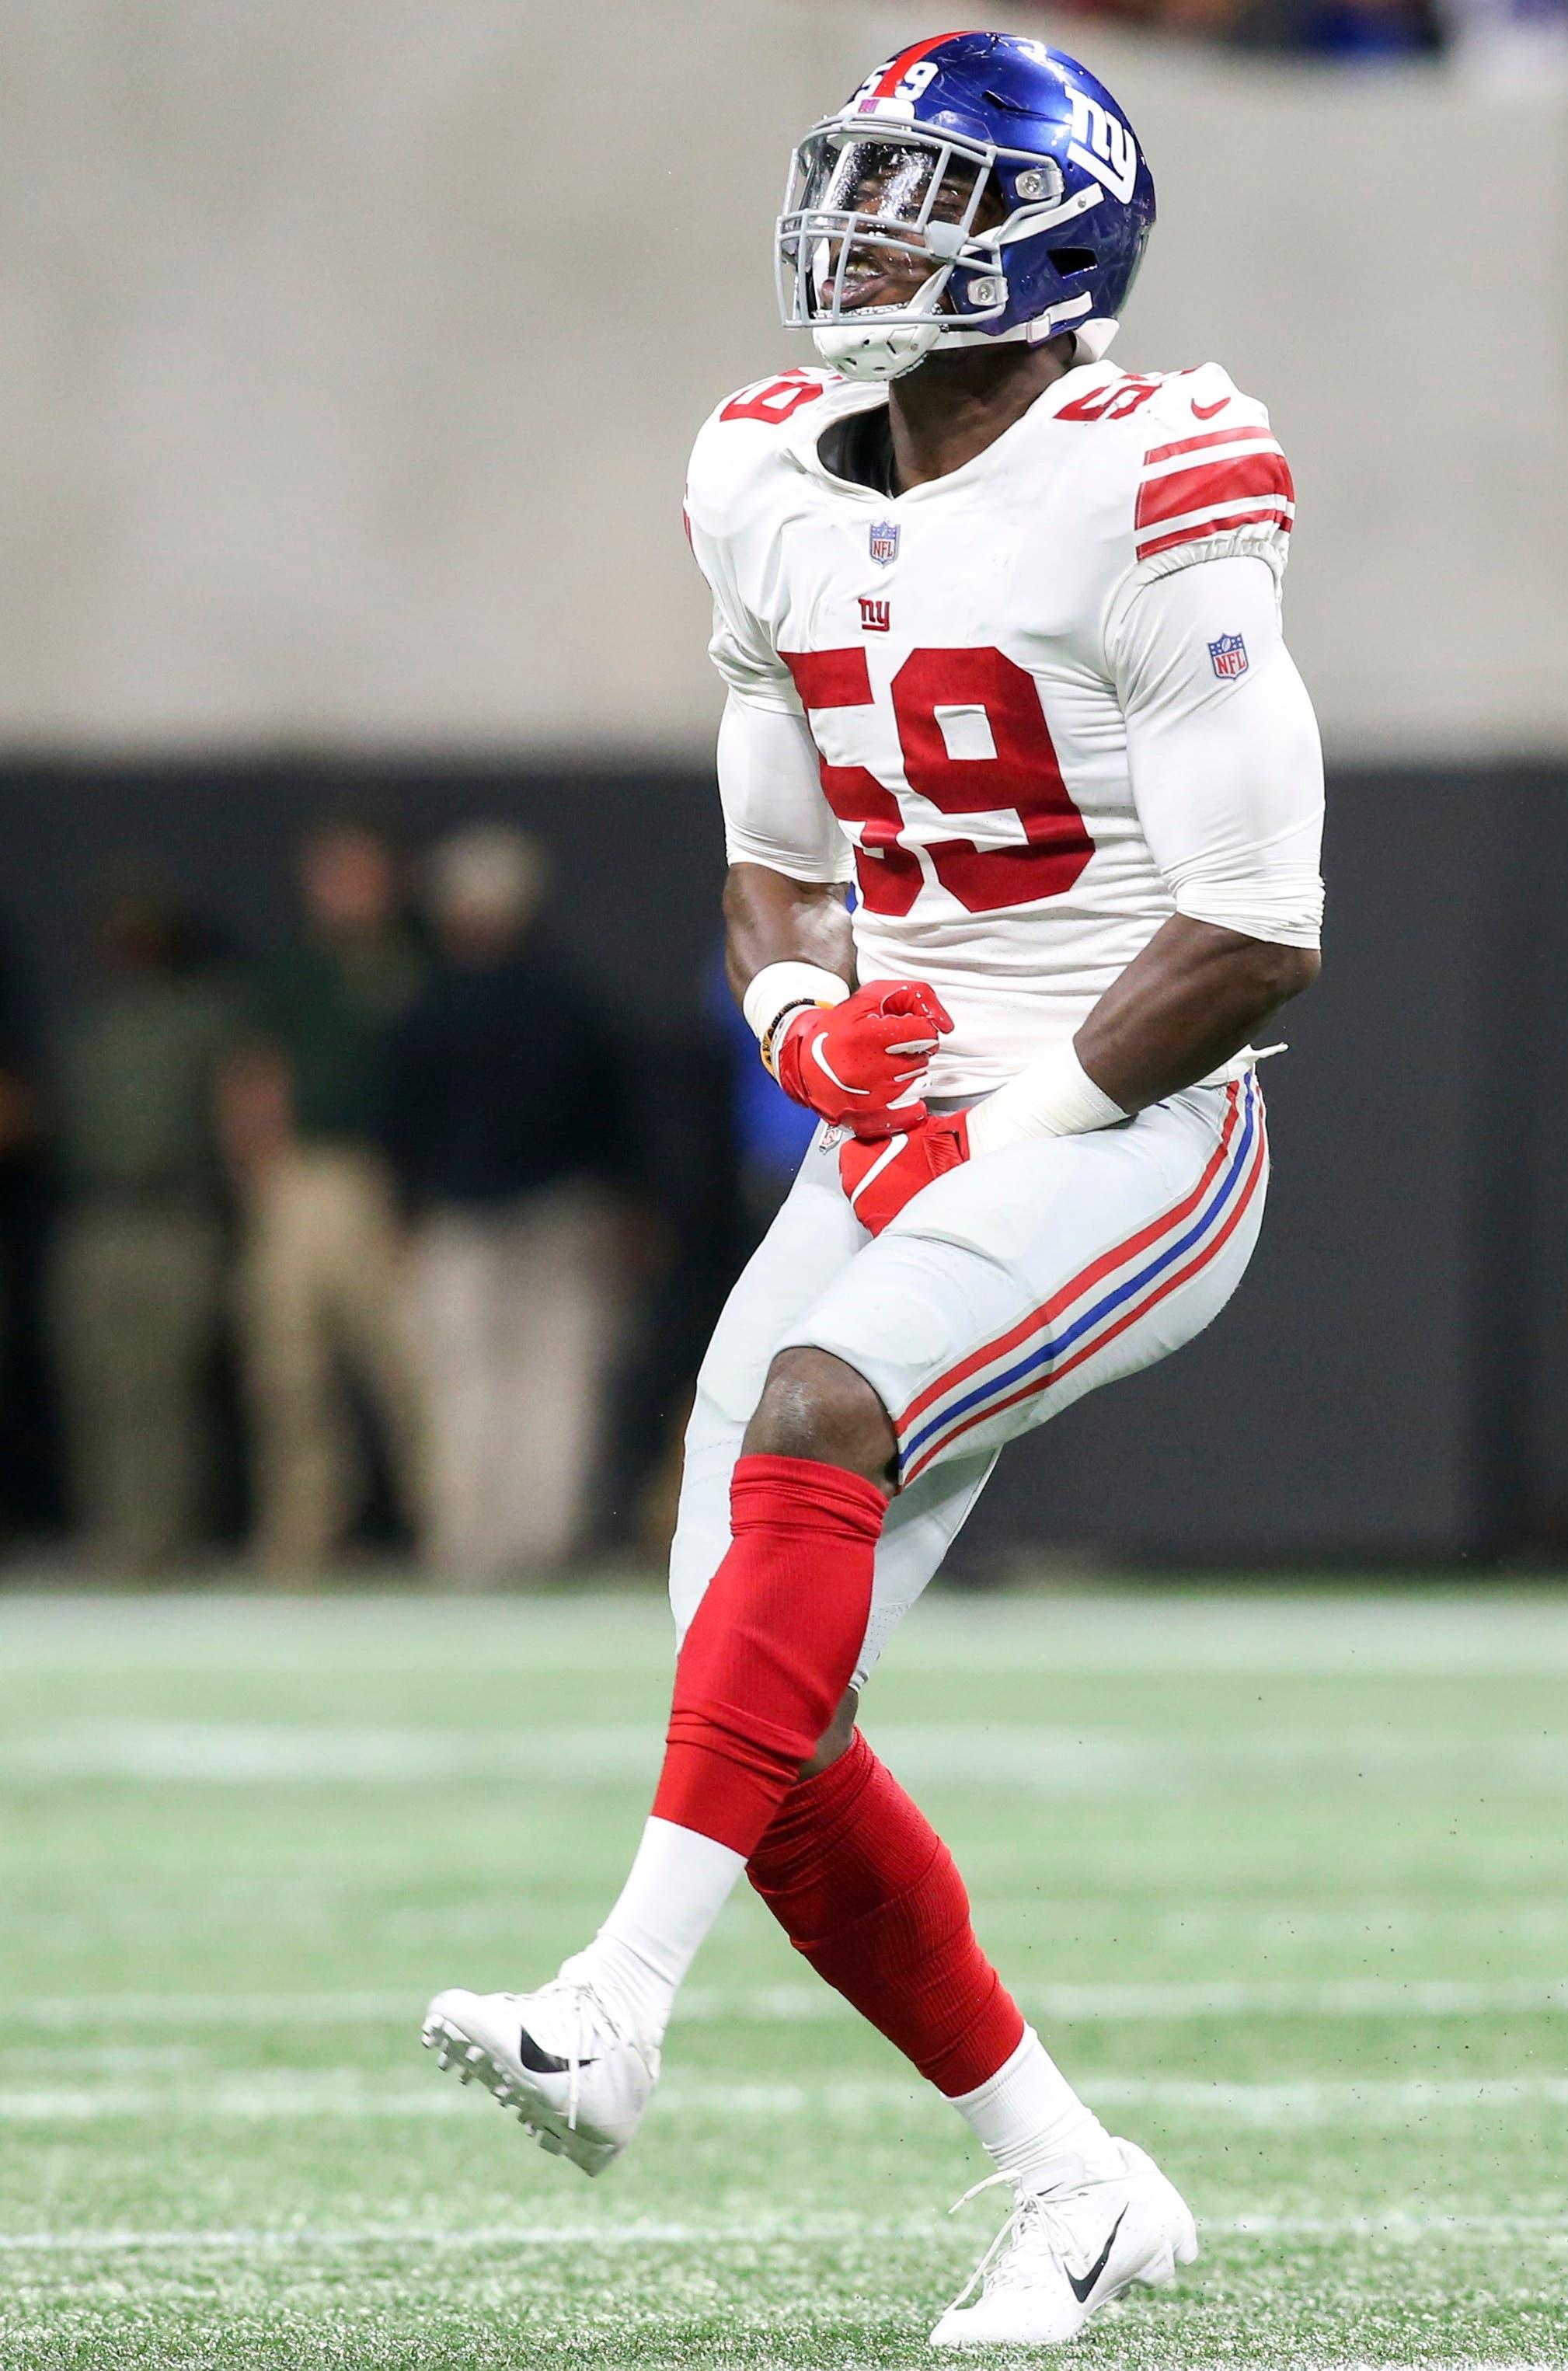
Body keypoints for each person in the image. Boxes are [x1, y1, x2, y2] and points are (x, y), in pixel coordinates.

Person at [423, 33, 1323, 2349]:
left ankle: (618, 2002)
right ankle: (1075, 2184)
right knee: (762, 1681)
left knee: (824, 1399)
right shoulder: (765, 477)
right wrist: (795, 1020)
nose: (870, 234)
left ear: (1056, 248)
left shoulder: (1153, 477)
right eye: (864, 187)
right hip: (902, 1118)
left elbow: (1254, 926)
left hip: (1134, 1123)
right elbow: (774, 832)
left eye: (929, 198)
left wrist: (994, 1124)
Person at [382, 824, 635, 1579]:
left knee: (489, 1387)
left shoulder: (432, 1003)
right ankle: (520, 1544)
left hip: (513, 1218)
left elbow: (401, 1126)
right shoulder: (566, 999)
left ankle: (483, 1546)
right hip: (519, 1217)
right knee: (525, 1386)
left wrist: (402, 1212)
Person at [221, 819, 427, 1575]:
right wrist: (259, 1170)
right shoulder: (295, 971)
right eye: (334, 876)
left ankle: (442, 1526)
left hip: (379, 1179)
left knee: (406, 1367)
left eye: (363, 875)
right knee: (288, 1367)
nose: (349, 892)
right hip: (300, 1178)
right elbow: (255, 1072)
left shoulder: (415, 963)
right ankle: (303, 1532)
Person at [50, 873, 240, 1574]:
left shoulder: (202, 1017)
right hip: (95, 1216)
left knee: (169, 1385)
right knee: (100, 1383)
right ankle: (114, 1532)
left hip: (175, 1213)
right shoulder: (89, 1023)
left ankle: (167, 1534)